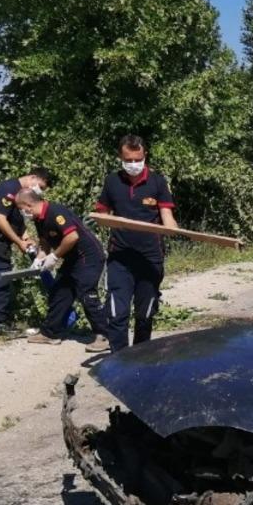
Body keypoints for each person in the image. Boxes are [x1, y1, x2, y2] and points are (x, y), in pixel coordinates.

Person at [94, 134, 178, 352]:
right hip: (120, 257)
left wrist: (172, 228)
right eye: (128, 160)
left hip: (150, 257)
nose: (133, 165)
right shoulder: (112, 181)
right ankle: (118, 358)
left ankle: (141, 356)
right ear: (120, 157)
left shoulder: (157, 181)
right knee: (117, 311)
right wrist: (105, 220)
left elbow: (166, 214)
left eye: (137, 159)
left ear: (145, 155)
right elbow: (102, 213)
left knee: (145, 312)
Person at [14, 188, 109, 350]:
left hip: (88, 256)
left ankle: (104, 335)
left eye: (20, 208)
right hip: (72, 258)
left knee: (86, 293)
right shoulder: (38, 218)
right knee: (60, 292)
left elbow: (72, 237)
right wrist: (40, 258)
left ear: (28, 205)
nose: (21, 212)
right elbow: (45, 241)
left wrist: (54, 257)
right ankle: (51, 333)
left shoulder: (55, 212)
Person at [0, 167, 54, 336]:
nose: (39, 191)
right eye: (40, 186)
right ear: (32, 177)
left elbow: (16, 222)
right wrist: (18, 241)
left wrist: (26, 238)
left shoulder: (19, 194)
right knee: (0, 281)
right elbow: (0, 219)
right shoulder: (8, 190)